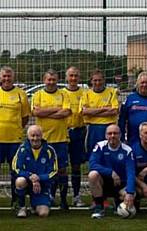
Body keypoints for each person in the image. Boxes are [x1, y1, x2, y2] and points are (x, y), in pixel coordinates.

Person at [0, 66, 30, 208]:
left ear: (13, 77)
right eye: (4, 76)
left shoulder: (21, 94)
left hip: (14, 140)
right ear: (0, 77)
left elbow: (25, 117)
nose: (6, 79)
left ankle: (16, 200)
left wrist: (15, 128)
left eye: (9, 76)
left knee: (16, 171)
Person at [31, 70, 71, 209]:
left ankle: (64, 200)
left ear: (57, 80)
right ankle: (48, 197)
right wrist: (56, 110)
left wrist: (45, 112)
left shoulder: (64, 94)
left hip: (60, 139)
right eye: (49, 79)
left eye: (54, 79)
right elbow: (36, 112)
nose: (51, 82)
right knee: (45, 170)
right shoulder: (38, 94)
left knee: (62, 170)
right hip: (43, 140)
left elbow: (66, 112)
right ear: (44, 80)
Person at [87, 124, 136, 219]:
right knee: (92, 175)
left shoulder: (127, 150)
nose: (112, 136)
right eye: (110, 133)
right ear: (106, 135)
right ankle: (99, 208)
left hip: (120, 184)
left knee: (132, 195)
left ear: (120, 135)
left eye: (115, 133)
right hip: (104, 183)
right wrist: (111, 172)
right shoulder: (100, 146)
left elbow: (131, 172)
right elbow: (92, 164)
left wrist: (129, 192)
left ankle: (118, 201)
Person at [12, 125, 58, 218]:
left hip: (42, 186)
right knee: (20, 181)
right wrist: (30, 176)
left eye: (38, 135)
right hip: (27, 182)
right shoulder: (22, 149)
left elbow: (54, 171)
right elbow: (16, 168)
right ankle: (21, 207)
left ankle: (35, 204)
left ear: (42, 136)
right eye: (32, 136)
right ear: (28, 137)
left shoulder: (49, 150)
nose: (35, 138)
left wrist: (39, 178)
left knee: (43, 213)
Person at [79, 69, 119, 158]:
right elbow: (84, 112)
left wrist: (93, 112)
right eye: (95, 80)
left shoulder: (111, 92)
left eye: (100, 80)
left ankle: (109, 171)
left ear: (104, 80)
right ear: (91, 81)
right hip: (92, 128)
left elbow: (114, 111)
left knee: (109, 153)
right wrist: (104, 109)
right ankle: (93, 170)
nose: (97, 82)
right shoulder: (86, 94)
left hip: (109, 127)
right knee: (93, 153)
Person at [63, 66, 88, 207]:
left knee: (76, 166)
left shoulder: (84, 93)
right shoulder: (61, 93)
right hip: (62, 132)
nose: (73, 78)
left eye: (76, 76)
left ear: (79, 78)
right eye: (71, 76)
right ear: (66, 78)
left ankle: (77, 195)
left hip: (79, 132)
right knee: (60, 166)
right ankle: (56, 195)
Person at [119, 72, 147, 143]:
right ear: (138, 84)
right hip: (133, 139)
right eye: (142, 82)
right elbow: (122, 120)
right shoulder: (129, 99)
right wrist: (122, 138)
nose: (144, 85)